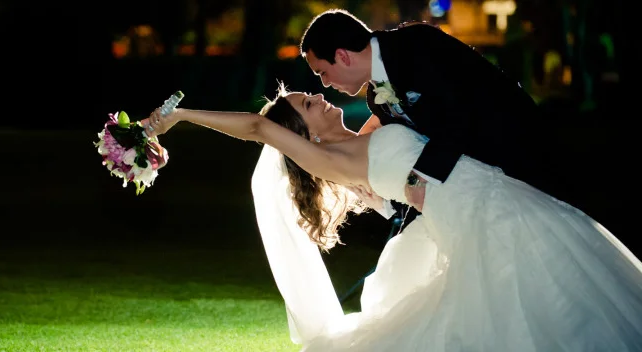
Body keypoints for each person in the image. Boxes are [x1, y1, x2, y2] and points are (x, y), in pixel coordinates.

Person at [144, 85, 642, 351]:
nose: (314, 96)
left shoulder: (371, 126)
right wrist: (183, 118)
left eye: (307, 92)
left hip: (494, 200)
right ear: (301, 134)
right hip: (477, 217)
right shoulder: (328, 159)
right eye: (304, 104)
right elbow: (256, 126)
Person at [298, 9, 577, 224]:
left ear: (343, 56)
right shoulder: (377, 98)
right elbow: (409, 144)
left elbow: (460, 113)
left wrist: (420, 177)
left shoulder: (416, 44)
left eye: (323, 72)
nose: (324, 84)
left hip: (521, 155)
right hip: (477, 187)